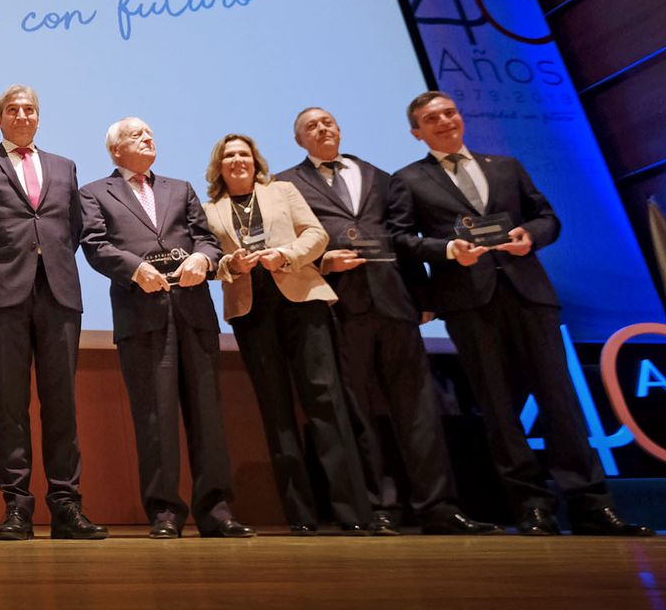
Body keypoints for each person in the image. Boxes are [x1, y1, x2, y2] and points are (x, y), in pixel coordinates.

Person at [394, 92, 654, 537]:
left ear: (460, 117)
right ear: (417, 132)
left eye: (449, 112)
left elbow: (548, 218)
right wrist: (447, 250)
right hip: (469, 303)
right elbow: (401, 239)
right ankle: (531, 506)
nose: (444, 121)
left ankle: (591, 505)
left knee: (561, 402)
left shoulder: (506, 166)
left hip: (528, 293)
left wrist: (528, 236)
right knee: (499, 407)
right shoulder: (408, 179)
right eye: (430, 118)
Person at [280, 107, 498, 535]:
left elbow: (403, 238)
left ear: (339, 129)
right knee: (357, 413)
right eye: (311, 127)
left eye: (327, 122)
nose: (322, 129)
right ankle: (381, 506)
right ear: (299, 141)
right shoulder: (286, 184)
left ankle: (438, 506)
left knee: (418, 409)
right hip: (339, 309)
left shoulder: (381, 176)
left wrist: (423, 296)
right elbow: (288, 244)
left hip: (396, 303)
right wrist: (324, 262)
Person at [80, 117, 252, 539]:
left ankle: (217, 511)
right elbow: (96, 244)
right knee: (154, 418)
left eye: (151, 133)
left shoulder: (181, 187)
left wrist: (203, 260)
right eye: (137, 135)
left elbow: (205, 238)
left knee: (208, 416)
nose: (148, 138)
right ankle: (165, 512)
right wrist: (135, 269)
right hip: (141, 316)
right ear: (116, 150)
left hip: (193, 312)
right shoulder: (93, 193)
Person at [201, 133, 375, 535]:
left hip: (302, 301)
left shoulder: (283, 190)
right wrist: (232, 265)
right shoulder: (212, 211)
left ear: (255, 160)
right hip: (251, 311)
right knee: (276, 410)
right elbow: (214, 261)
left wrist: (288, 255)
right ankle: (301, 514)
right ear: (219, 167)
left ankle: (352, 511)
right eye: (229, 156)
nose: (237, 160)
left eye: (244, 154)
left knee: (325, 401)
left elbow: (316, 235)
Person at [0, 85, 105, 540]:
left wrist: (50, 260)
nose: (22, 116)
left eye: (29, 110)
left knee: (61, 404)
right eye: (12, 110)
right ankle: (17, 506)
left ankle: (66, 505)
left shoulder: (65, 166)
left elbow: (72, 228)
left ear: (38, 119)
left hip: (59, 295)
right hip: (3, 296)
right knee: (11, 404)